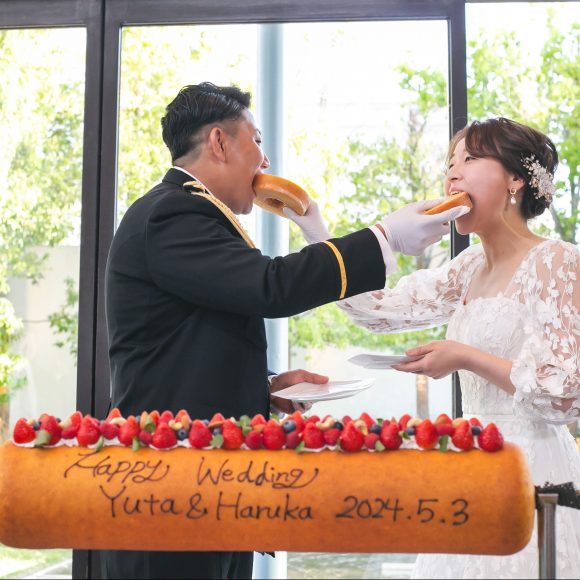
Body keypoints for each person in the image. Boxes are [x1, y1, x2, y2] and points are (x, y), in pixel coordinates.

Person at [102, 82, 466, 580]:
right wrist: (383, 238)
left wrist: (266, 386)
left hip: (208, 481)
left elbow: (189, 341)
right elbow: (270, 287)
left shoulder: (193, 213)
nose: (265, 159)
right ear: (219, 142)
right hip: (170, 482)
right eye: (256, 140)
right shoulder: (172, 212)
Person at [289, 116, 580, 579]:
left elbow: (565, 392)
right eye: (449, 164)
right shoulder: (467, 266)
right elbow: (376, 310)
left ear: (515, 180)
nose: (452, 175)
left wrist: (464, 356)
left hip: (534, 467)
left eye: (470, 159)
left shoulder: (556, 261)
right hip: (471, 461)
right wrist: (315, 230)